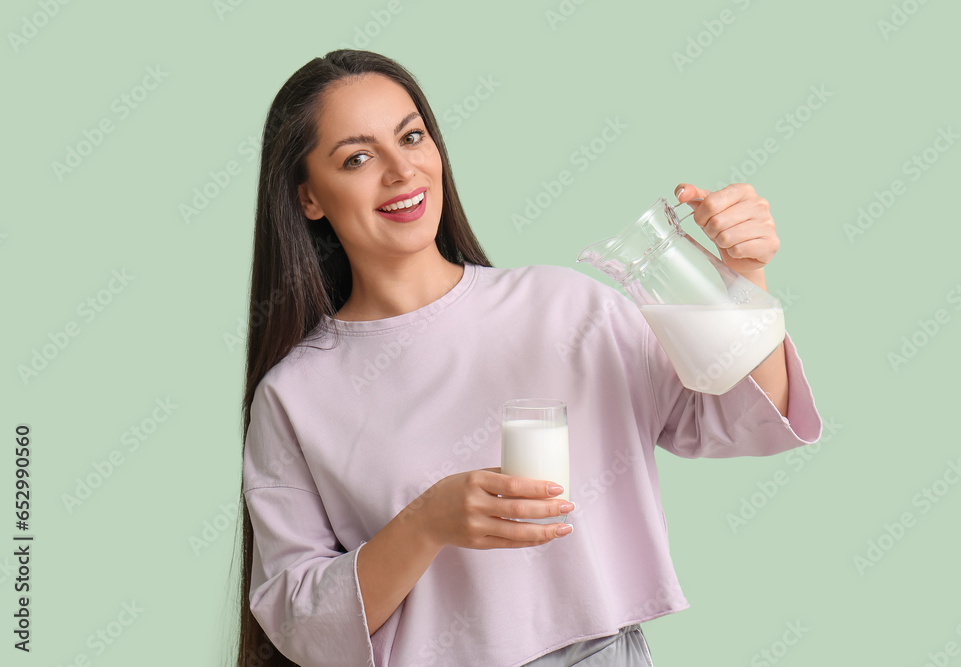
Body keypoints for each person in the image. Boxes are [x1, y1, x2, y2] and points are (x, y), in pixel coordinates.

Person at [233, 49, 822, 667]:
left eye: (411, 137)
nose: (401, 170)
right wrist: (424, 523)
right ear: (309, 199)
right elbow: (297, 620)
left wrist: (741, 279)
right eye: (357, 157)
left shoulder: (565, 306)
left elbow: (741, 420)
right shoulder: (295, 394)